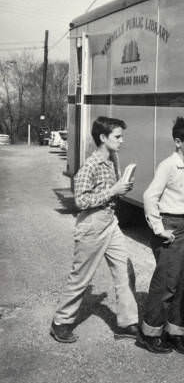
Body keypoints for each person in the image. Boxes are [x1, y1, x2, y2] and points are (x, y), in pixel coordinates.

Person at [50, 116, 139, 343]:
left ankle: (127, 323)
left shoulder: (112, 160)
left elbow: (110, 192)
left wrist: (122, 188)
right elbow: (79, 201)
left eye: (122, 136)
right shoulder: (89, 166)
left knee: (124, 270)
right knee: (81, 277)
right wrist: (113, 191)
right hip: (91, 225)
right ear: (102, 137)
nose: (122, 140)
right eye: (117, 136)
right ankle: (61, 321)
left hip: (110, 222)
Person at [138, 117, 184, 355]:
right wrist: (158, 228)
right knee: (166, 284)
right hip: (170, 226)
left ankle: (175, 333)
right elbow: (149, 197)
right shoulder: (168, 165)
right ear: (178, 142)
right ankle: (149, 333)